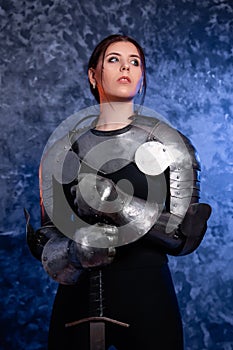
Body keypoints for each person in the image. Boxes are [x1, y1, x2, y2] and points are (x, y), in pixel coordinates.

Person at [25, 34, 212, 350]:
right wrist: (75, 252)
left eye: (134, 61)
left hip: (147, 298)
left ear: (140, 77)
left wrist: (117, 203)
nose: (126, 66)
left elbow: (184, 237)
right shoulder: (62, 151)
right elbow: (45, 236)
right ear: (93, 75)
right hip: (76, 301)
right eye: (113, 59)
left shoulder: (170, 145)